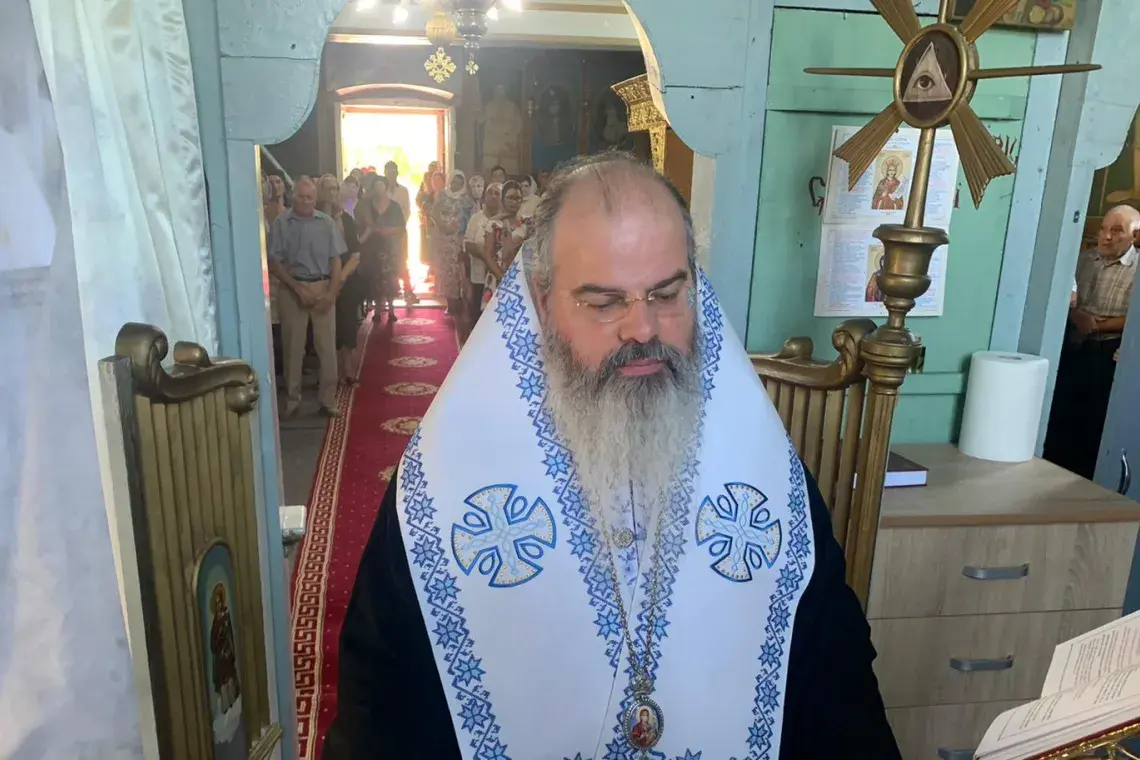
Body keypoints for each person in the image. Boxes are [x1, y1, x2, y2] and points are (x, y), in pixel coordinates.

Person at [322, 154, 900, 759]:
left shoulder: (765, 480)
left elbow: (838, 689)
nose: (643, 328)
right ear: (542, 301)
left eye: (666, 294)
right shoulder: (443, 494)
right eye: (604, 302)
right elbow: (381, 712)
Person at [1044, 204, 1140, 479]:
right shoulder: (1083, 260)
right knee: (1062, 415)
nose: (1106, 236)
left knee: (1095, 421)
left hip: (1110, 351)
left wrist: (1096, 324)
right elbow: (1064, 297)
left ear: (1135, 235)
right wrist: (1078, 316)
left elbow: (1135, 318)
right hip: (1075, 346)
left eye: (1117, 230)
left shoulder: (1137, 268)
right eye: (1103, 229)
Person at [267, 176, 344, 417]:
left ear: (315, 198)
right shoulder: (281, 223)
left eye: (309, 197)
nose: (305, 201)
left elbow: (336, 260)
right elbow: (274, 263)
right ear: (292, 196)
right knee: (293, 347)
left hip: (323, 287)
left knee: (327, 348)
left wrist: (331, 293)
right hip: (292, 288)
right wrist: (297, 289)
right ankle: (292, 400)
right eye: (300, 197)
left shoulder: (327, 223)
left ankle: (328, 400)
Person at [317, 175, 364, 384]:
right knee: (324, 326)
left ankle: (347, 367)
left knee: (347, 322)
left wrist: (341, 277)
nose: (331, 193)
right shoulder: (313, 218)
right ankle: (328, 370)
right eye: (327, 189)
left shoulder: (346, 220)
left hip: (346, 277)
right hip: (320, 277)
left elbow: (356, 254)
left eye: (335, 189)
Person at [357, 176, 408, 325]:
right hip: (372, 248)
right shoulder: (368, 206)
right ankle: (378, 310)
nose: (379, 189)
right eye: (376, 186)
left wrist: (388, 231)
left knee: (390, 279)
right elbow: (362, 225)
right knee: (375, 279)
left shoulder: (394, 206)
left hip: (390, 248)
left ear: (386, 188)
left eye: (381, 186)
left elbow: (401, 227)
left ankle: (391, 309)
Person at [480, 179, 531, 311]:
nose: (515, 202)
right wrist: (502, 277)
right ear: (503, 199)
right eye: (511, 198)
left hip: (520, 276)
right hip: (497, 274)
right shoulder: (493, 223)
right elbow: (487, 254)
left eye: (518, 198)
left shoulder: (527, 223)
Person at [430, 170, 474, 317]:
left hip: (459, 240)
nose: (456, 185)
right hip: (444, 239)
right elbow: (434, 213)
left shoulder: (467, 200)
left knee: (458, 271)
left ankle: (460, 304)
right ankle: (449, 304)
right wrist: (443, 226)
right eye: (454, 181)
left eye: (459, 183)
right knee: (446, 272)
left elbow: (471, 218)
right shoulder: (442, 195)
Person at [464, 182, 501, 329]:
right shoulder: (476, 218)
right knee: (477, 315)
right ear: (485, 196)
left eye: (497, 193)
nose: (493, 196)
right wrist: (484, 254)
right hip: (479, 274)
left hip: (498, 276)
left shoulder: (506, 220)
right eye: (490, 193)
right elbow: (467, 244)